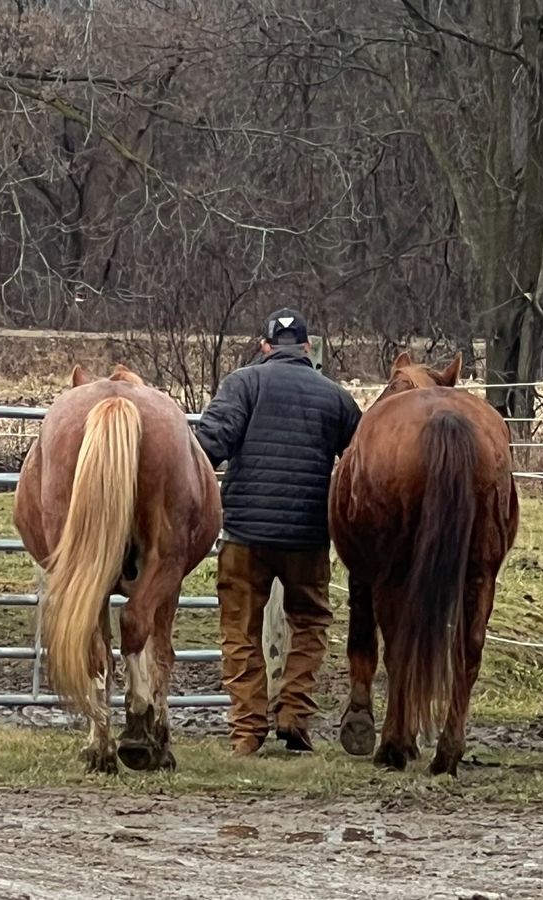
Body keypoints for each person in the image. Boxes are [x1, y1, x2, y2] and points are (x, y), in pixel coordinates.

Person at [193, 307, 362, 757]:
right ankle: (294, 715)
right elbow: (362, 464)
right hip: (308, 536)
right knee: (309, 622)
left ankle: (247, 731)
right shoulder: (337, 398)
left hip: (245, 534)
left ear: (265, 347)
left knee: (240, 629)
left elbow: (209, 446)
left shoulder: (243, 384)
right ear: (307, 348)